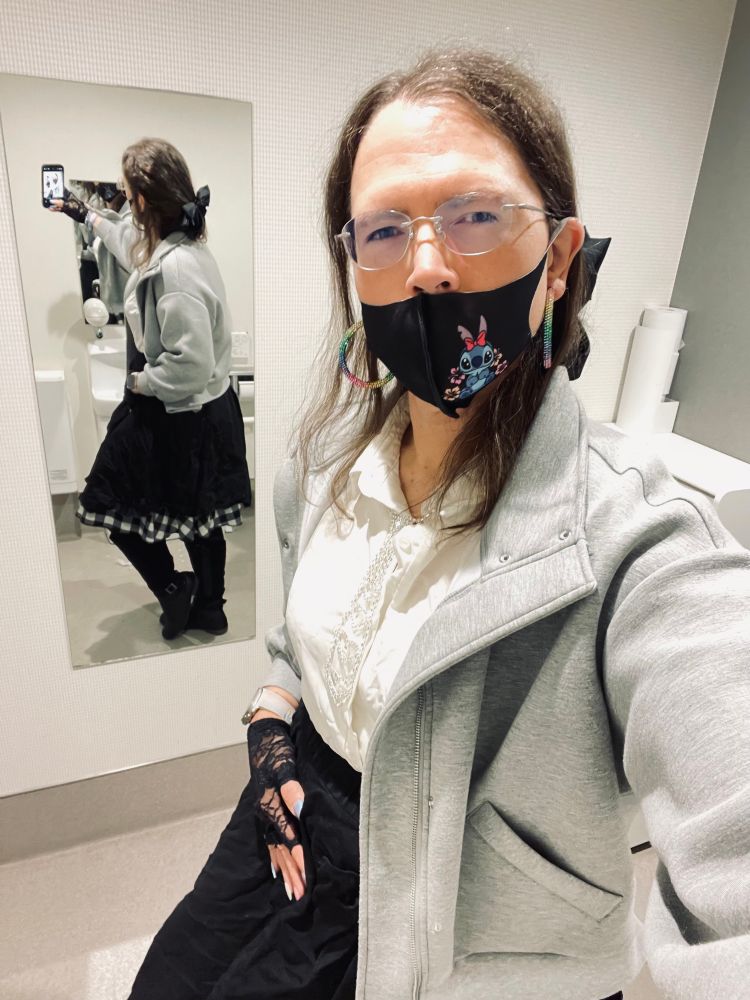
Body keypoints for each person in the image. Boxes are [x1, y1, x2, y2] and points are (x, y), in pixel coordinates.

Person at [125, 49, 749, 1000]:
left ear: (559, 260)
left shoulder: (643, 547)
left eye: (476, 216)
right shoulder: (321, 470)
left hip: (460, 939)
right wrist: (272, 713)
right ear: (354, 270)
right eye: (383, 231)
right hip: (288, 829)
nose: (424, 267)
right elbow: (313, 643)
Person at [49, 139, 252, 639]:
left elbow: (190, 364)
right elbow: (124, 241)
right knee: (201, 521)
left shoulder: (176, 268)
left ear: (142, 200)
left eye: (125, 191)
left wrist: (140, 381)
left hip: (183, 410)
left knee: (109, 504)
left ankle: (173, 588)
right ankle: (207, 606)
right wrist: (82, 213)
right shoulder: (172, 248)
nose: (122, 200)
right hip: (199, 411)